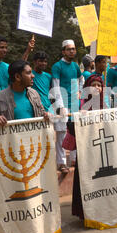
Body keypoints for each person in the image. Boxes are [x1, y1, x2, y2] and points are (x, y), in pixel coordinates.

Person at [66, 74, 107, 220]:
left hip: (101, 152)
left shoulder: (106, 105)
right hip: (85, 152)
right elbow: (70, 127)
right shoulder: (80, 104)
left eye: (99, 85)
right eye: (93, 85)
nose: (96, 88)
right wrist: (79, 118)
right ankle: (84, 212)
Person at [51, 39, 83, 174]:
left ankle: (75, 159)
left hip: (74, 104)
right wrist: (60, 106)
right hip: (62, 105)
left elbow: (81, 79)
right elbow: (56, 86)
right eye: (69, 49)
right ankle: (61, 162)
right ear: (63, 51)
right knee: (62, 134)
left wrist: (80, 91)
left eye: (73, 49)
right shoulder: (57, 66)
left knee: (75, 131)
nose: (72, 51)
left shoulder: (75, 66)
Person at [0, 60, 48, 126]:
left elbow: (42, 112)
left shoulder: (34, 93)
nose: (33, 76)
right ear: (17, 77)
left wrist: (46, 115)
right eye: (28, 73)